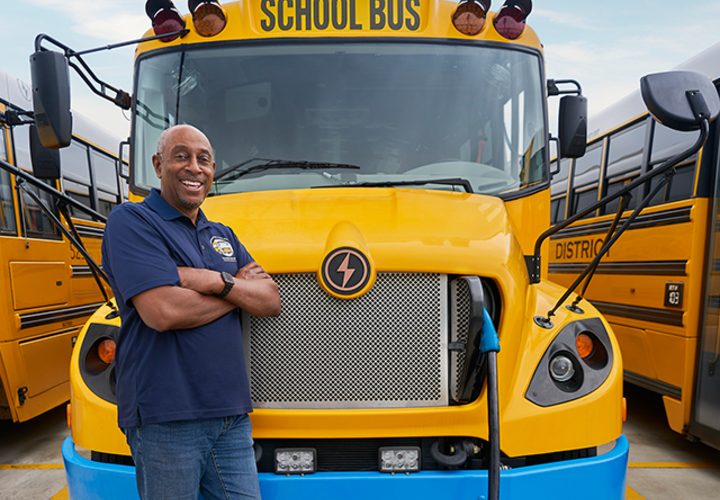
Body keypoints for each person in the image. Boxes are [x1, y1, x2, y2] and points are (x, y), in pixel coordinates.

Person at [101, 124, 281, 500]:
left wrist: (215, 281)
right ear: (158, 164)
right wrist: (236, 288)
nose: (194, 168)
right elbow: (162, 312)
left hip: (230, 417)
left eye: (204, 159)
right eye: (181, 156)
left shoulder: (223, 234)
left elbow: (269, 301)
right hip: (166, 417)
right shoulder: (132, 222)